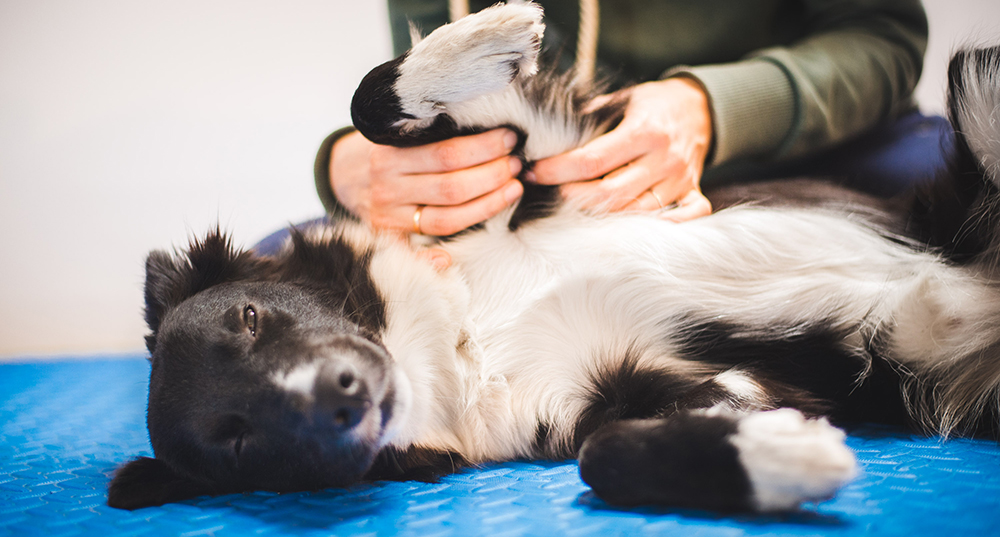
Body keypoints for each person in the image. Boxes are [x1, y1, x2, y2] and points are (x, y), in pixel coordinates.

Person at [313, 0, 928, 238]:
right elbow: (433, 79)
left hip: (822, 153)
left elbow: (884, 36)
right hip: (555, 208)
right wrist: (349, 168)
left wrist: (710, 109)